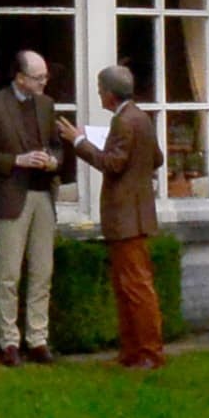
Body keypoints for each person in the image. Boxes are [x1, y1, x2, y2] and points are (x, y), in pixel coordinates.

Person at [0, 47, 73, 366]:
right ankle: (9, 342)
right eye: (38, 78)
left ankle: (38, 338)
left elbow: (57, 146)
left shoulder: (46, 105)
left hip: (43, 194)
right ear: (20, 78)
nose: (44, 83)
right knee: (9, 273)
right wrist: (16, 161)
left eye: (45, 77)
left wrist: (53, 161)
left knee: (43, 271)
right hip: (11, 195)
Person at [73, 62, 169, 370]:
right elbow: (157, 158)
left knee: (136, 288)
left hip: (126, 216)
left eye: (101, 91)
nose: (99, 96)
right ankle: (132, 351)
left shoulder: (124, 121)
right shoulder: (140, 117)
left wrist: (79, 142)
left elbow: (113, 164)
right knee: (128, 286)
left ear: (111, 94)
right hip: (136, 212)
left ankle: (149, 353)